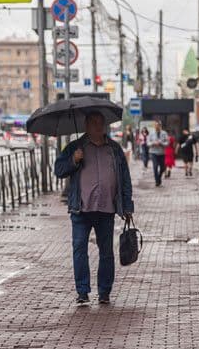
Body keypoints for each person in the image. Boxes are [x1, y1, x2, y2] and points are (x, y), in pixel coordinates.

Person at [54, 111, 134, 306]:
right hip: (81, 209)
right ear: (86, 125)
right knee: (79, 249)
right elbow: (59, 170)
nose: (99, 127)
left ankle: (104, 291)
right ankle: (82, 291)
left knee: (106, 251)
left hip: (106, 209)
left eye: (101, 123)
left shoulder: (114, 149)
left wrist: (127, 205)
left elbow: (125, 179)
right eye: (94, 123)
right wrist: (74, 160)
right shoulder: (75, 147)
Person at [147, 121, 169, 187]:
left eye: (158, 125)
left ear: (160, 126)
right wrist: (153, 143)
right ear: (154, 126)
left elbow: (167, 143)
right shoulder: (151, 133)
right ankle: (157, 181)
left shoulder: (164, 133)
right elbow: (148, 143)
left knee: (163, 167)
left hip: (162, 153)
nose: (157, 127)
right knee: (155, 166)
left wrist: (161, 143)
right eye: (156, 125)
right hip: (153, 152)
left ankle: (159, 178)